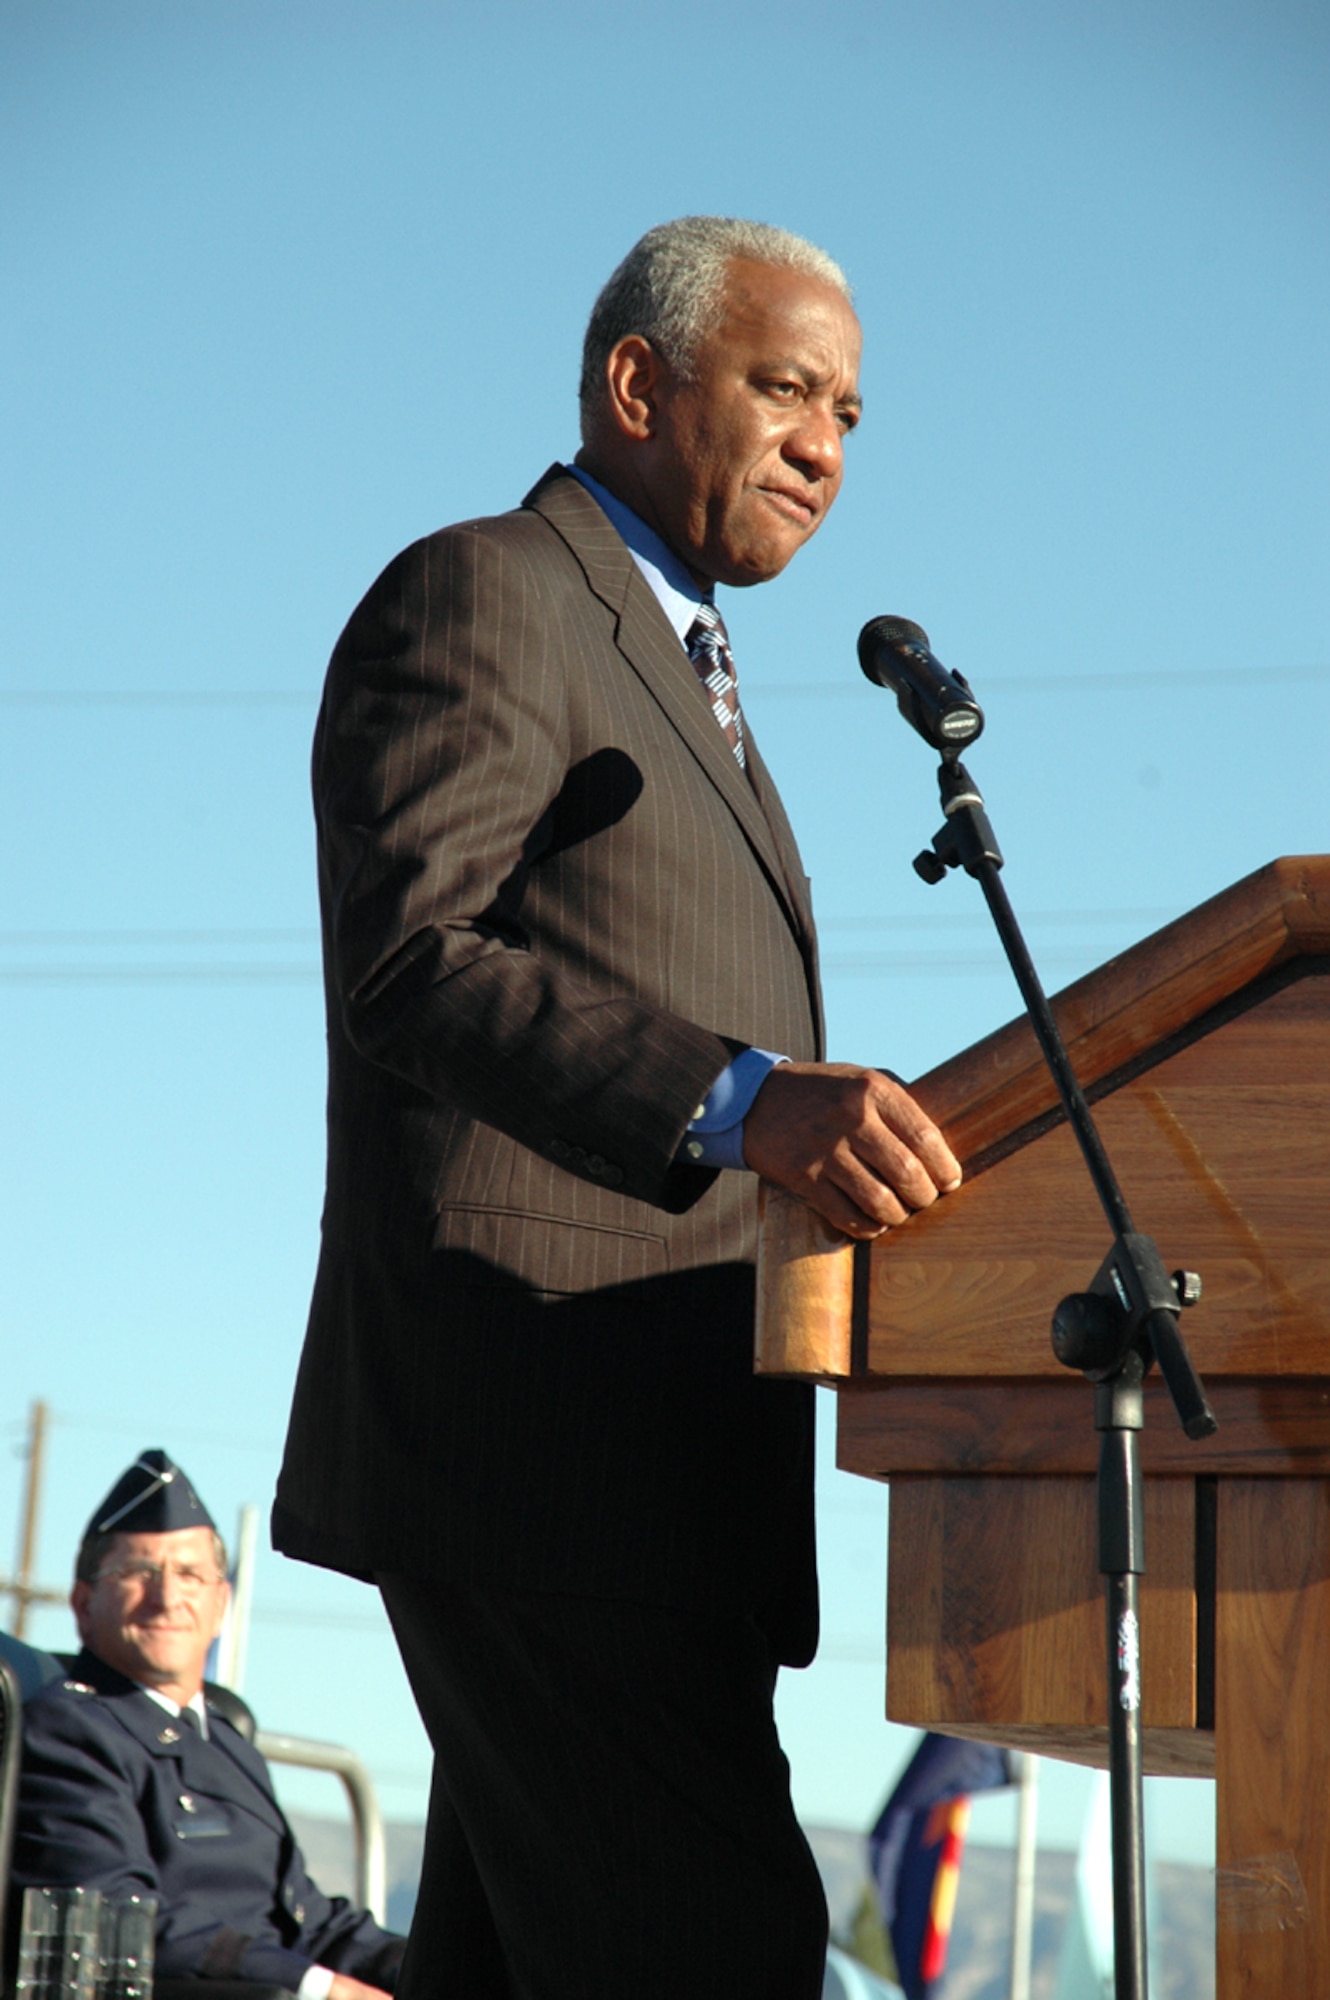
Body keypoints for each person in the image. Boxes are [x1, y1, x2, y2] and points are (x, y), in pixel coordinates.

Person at [272, 215, 962, 1999]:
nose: (827, 444)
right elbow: (412, 957)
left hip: (669, 1475)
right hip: (541, 1441)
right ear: (639, 383)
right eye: (789, 390)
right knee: (719, 1954)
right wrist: (740, 1099)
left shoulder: (698, 675)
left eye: (853, 416)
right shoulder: (492, 588)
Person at [11, 1451, 405, 2000]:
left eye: (191, 1574)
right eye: (137, 1572)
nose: (167, 1597)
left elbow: (304, 1919)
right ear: (83, 1605)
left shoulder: (227, 1739)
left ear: (221, 1604)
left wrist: (419, 1966)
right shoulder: (69, 1731)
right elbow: (114, 1922)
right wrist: (316, 1987)